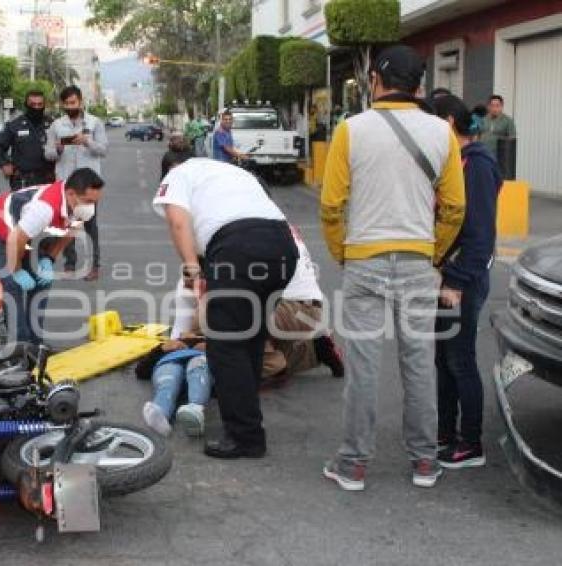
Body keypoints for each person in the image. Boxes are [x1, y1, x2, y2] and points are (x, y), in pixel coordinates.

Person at [320, 44, 466, 491]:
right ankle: (424, 463)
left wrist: (343, 252)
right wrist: (434, 254)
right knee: (419, 363)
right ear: (419, 85)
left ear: (374, 82)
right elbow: (455, 208)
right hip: (419, 260)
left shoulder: (351, 130)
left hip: (364, 258)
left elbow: (331, 206)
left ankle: (353, 466)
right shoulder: (442, 133)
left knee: (363, 367)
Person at [153, 156, 299, 459]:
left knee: (225, 345)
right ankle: (248, 424)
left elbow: (178, 222)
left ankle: (245, 437)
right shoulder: (231, 173)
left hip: (239, 249)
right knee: (251, 337)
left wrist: (192, 270)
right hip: (282, 247)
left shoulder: (179, 174)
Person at [431, 94, 502, 469]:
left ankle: (470, 442)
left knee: (459, 359)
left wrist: (455, 281)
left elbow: (479, 236)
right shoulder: (455, 162)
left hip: (463, 280)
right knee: (444, 358)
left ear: (446, 123)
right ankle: (445, 432)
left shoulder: (476, 166)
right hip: (447, 276)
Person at [0, 168, 105, 344]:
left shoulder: (78, 205)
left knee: (42, 280)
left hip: (23, 235)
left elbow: (71, 231)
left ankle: (36, 343)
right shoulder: (44, 208)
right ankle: (19, 346)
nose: (91, 207)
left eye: (95, 202)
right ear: (71, 193)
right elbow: (15, 240)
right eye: (88, 201)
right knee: (12, 284)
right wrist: (17, 270)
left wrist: (48, 259)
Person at [261, 226, 344, 381]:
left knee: (235, 320)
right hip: (309, 307)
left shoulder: (255, 230)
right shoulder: (281, 225)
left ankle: (270, 367)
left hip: (289, 307)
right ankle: (314, 350)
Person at [46, 86, 108, 281]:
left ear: (81, 101)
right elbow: (47, 154)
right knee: (67, 223)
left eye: (73, 102)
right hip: (65, 184)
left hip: (88, 186)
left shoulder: (95, 123)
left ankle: (94, 266)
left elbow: (104, 150)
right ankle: (70, 263)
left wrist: (87, 142)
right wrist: (57, 149)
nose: (70, 106)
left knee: (90, 226)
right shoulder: (56, 125)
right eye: (66, 103)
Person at [142, 277, 212, 438]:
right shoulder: (176, 341)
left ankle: (195, 408)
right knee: (169, 378)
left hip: (202, 360)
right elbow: (142, 370)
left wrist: (213, 348)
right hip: (170, 361)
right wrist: (161, 349)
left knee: (198, 368)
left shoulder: (211, 346)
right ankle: (160, 411)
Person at [0, 90, 55, 191]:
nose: (36, 108)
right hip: (23, 181)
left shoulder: (53, 124)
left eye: (40, 104)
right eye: (33, 104)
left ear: (44, 105)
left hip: (48, 181)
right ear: (26, 105)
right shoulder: (14, 125)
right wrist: (4, 164)